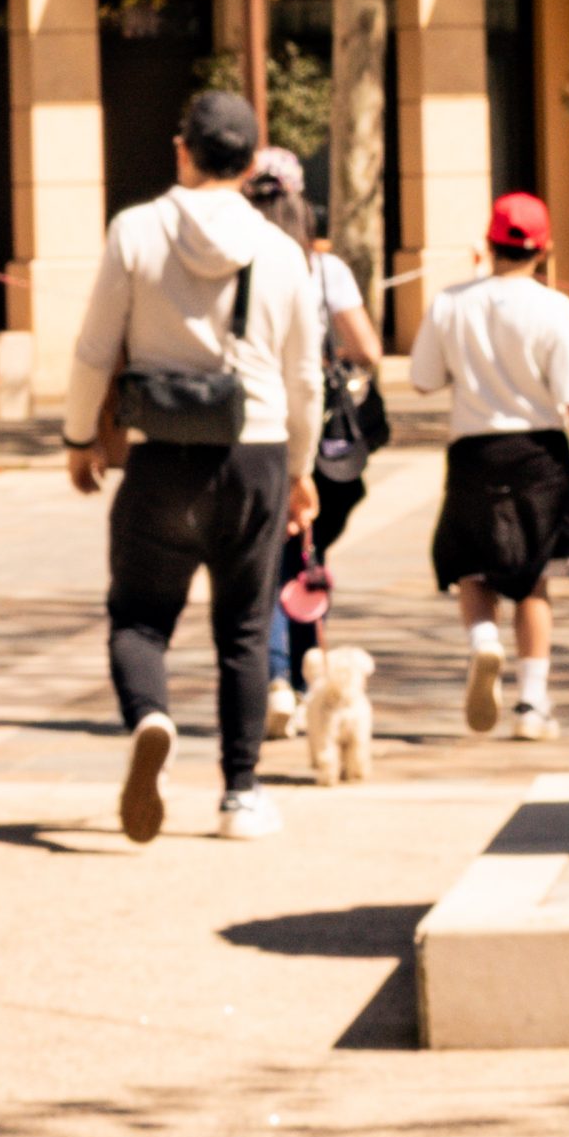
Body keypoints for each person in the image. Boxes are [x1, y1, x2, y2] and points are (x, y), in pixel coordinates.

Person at [63, 91, 323, 844]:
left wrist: (81, 436)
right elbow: (305, 375)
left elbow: (92, 346)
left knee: (140, 616)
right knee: (244, 629)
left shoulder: (136, 230)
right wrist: (302, 470)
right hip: (258, 454)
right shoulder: (281, 250)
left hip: (161, 457)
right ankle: (240, 794)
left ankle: (150, 717)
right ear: (249, 162)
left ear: (182, 149)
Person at [409, 192, 569, 742]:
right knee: (533, 580)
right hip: (539, 454)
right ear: (546, 249)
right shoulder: (556, 308)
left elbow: (422, 378)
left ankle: (484, 642)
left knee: (473, 566)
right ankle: (532, 703)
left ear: (488, 243)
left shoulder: (450, 303)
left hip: (473, 453)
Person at [240, 147, 383, 740]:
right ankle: (305, 681)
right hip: (319, 440)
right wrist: (332, 358)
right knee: (307, 559)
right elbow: (369, 351)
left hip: (251, 427)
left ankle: (276, 680)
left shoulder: (237, 259)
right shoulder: (324, 270)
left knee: (265, 562)